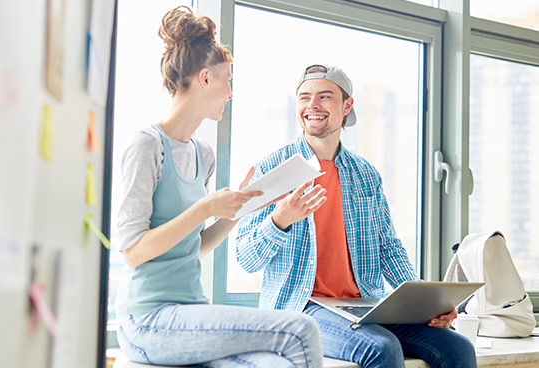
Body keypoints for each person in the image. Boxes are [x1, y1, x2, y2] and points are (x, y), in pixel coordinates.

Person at [113, 6, 324, 368]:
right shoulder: (146, 145)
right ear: (206, 78)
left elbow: (190, 249)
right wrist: (205, 208)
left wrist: (241, 210)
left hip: (191, 313)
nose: (230, 92)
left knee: (276, 364)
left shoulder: (203, 154)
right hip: (147, 320)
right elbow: (132, 252)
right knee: (300, 330)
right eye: (229, 80)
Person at [235, 64, 477, 368]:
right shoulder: (272, 169)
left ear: (347, 105)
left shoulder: (365, 174)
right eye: (304, 98)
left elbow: (388, 248)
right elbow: (246, 259)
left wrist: (425, 304)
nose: (312, 106)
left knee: (458, 348)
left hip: (364, 305)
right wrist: (279, 221)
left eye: (324, 97)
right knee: (382, 348)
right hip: (299, 308)